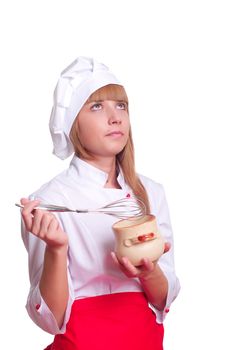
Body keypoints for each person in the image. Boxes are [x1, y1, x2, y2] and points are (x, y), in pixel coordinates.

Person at [20, 56, 180, 350]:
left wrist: (149, 272)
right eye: (96, 106)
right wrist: (57, 248)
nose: (115, 116)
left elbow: (163, 297)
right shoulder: (50, 202)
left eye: (121, 105)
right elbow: (51, 320)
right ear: (72, 124)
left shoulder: (151, 192)